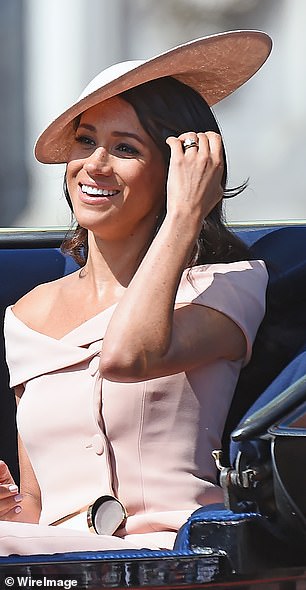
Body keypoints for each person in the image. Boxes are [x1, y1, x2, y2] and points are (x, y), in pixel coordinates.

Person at [0, 30, 271, 555]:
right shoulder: (27, 315)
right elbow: (36, 503)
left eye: (125, 148)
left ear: (177, 172)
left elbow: (127, 356)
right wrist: (9, 508)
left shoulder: (227, 285)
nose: (94, 165)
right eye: (86, 140)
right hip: (56, 564)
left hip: (179, 556)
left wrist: (186, 214)